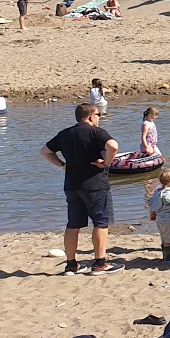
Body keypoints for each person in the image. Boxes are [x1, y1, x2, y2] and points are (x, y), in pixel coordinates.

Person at [41, 104, 120, 276]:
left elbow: (45, 152)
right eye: (98, 114)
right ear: (91, 117)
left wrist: (62, 165)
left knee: (73, 224)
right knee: (101, 222)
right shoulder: (96, 132)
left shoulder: (65, 133)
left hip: (72, 185)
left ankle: (71, 264)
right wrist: (106, 163)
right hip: (95, 184)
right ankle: (100, 263)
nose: (99, 118)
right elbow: (113, 146)